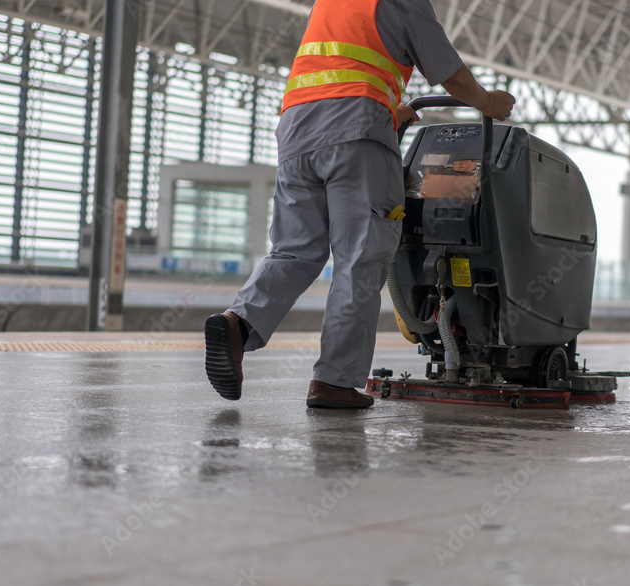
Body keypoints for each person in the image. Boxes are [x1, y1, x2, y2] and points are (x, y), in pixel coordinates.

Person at [204, 0, 515, 408]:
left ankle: (238, 324)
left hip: (297, 132)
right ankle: (334, 381)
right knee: (359, 259)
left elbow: (341, 72)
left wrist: (388, 108)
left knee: (294, 250)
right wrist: (486, 102)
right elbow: (449, 73)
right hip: (357, 135)